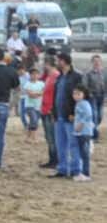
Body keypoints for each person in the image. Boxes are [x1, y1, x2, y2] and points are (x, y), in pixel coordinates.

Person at [50, 50, 84, 179]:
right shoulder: (59, 77)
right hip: (59, 115)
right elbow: (56, 96)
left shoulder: (76, 77)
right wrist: (54, 112)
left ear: (64, 61)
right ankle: (62, 169)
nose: (57, 62)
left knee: (73, 143)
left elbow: (81, 96)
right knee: (60, 144)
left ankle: (76, 169)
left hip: (70, 116)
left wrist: (74, 113)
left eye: (58, 60)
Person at [39, 51, 60, 168]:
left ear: (48, 64)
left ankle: (54, 160)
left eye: (44, 63)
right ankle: (52, 159)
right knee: (49, 137)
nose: (43, 65)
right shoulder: (49, 76)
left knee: (52, 137)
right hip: (45, 109)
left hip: (50, 110)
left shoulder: (55, 76)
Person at [72, 84, 94, 180]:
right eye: (74, 94)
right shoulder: (79, 103)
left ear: (84, 94)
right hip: (80, 132)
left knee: (84, 154)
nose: (76, 96)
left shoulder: (84, 103)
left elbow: (88, 115)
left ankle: (86, 174)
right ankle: (83, 173)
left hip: (84, 132)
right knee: (82, 153)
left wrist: (80, 124)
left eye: (78, 94)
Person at [20, 66, 44, 144]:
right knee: (34, 120)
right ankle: (34, 137)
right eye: (33, 74)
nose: (35, 76)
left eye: (36, 74)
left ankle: (27, 137)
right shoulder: (27, 84)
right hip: (29, 105)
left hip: (38, 105)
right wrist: (39, 94)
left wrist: (36, 94)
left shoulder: (41, 83)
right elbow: (30, 95)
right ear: (30, 75)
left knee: (33, 121)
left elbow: (43, 92)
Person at [84, 54, 105, 137]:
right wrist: (89, 94)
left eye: (98, 61)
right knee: (95, 115)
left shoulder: (104, 73)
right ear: (92, 62)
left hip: (102, 96)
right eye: (95, 61)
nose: (97, 63)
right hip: (93, 97)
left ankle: (94, 127)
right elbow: (85, 85)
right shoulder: (88, 73)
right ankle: (94, 134)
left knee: (100, 116)